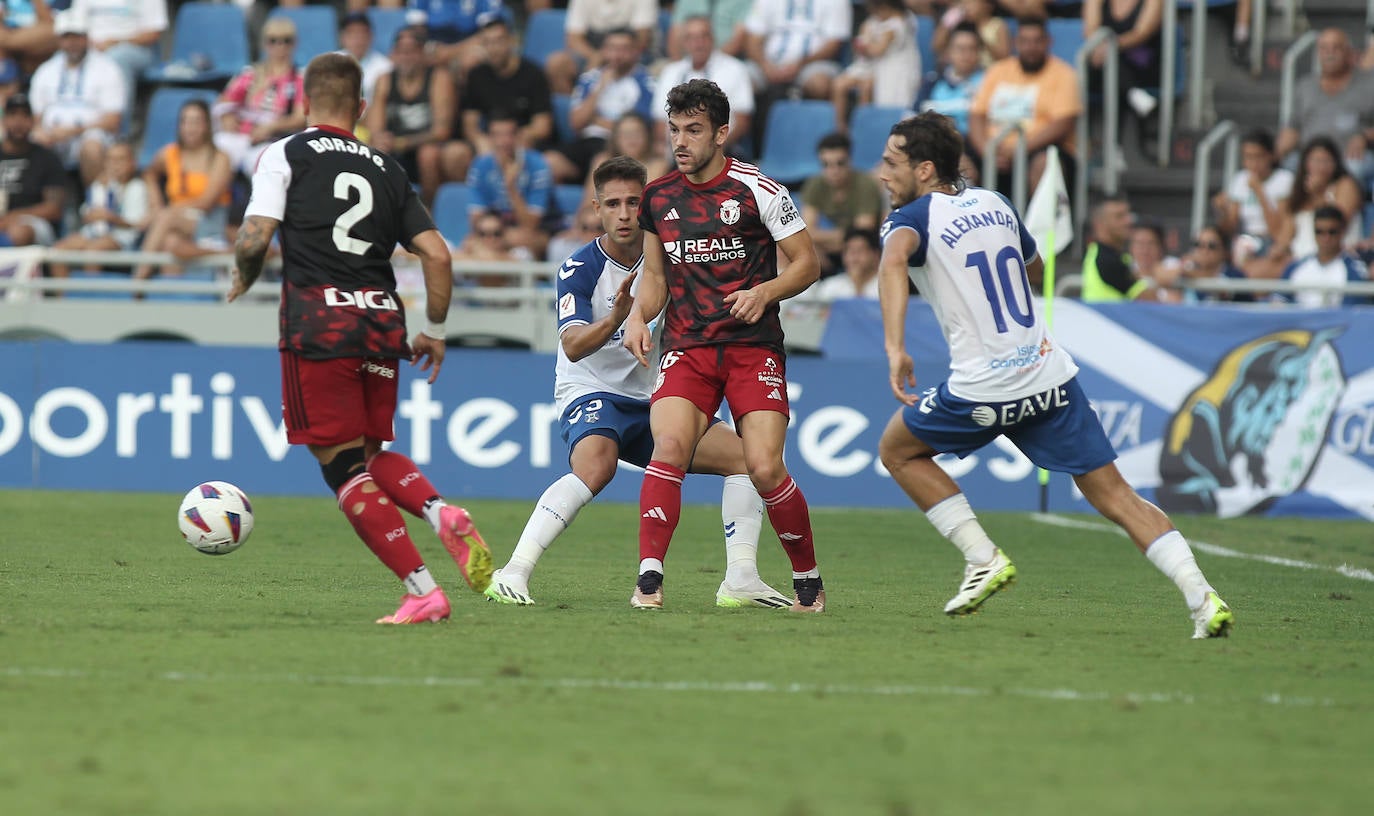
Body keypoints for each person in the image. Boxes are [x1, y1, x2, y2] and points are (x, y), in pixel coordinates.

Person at [873, 111, 1234, 639]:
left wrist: (895, 347)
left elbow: (890, 264)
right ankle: (1204, 600)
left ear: (925, 170)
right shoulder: (996, 203)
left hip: (984, 385)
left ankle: (982, 558)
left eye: (892, 162)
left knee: (897, 450)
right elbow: (1036, 266)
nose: (882, 173)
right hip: (1047, 377)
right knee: (1116, 496)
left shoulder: (909, 219)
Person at [227, 52, 493, 625]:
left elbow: (254, 239)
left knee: (341, 468)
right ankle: (441, 512)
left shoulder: (286, 153)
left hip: (318, 324)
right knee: (371, 456)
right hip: (380, 324)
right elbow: (438, 255)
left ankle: (421, 588)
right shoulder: (388, 167)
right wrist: (436, 332)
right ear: (362, 108)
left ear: (304, 101)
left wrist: (242, 277)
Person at [486, 155, 792, 608]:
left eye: (634, 202)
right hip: (593, 389)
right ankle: (513, 571)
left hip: (659, 394)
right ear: (596, 209)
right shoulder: (580, 268)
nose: (625, 214)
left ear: (648, 204)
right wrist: (617, 315)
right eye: (613, 204)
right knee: (596, 466)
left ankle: (741, 578)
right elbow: (572, 346)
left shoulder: (673, 257)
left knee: (748, 461)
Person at [623, 78, 827, 612]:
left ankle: (807, 578)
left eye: (693, 130)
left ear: (721, 132)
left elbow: (808, 263)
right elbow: (655, 279)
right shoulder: (658, 198)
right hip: (687, 347)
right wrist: (639, 318)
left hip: (752, 349)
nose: (680, 142)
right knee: (668, 448)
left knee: (763, 467)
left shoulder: (760, 190)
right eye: (674, 130)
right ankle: (648, 581)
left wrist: (765, 292)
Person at [968, 16, 1081, 195]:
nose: (1031, 48)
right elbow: (977, 115)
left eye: (1037, 41)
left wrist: (1018, 149)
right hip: (994, 149)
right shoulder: (998, 70)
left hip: (1037, 148)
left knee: (1045, 162)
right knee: (958, 157)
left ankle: (1039, 223)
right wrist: (986, 150)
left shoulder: (1064, 74)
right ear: (1015, 43)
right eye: (1025, 41)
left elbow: (1063, 123)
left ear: (1048, 42)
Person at [133, 98, 232, 284]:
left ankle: (137, 282)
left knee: (165, 218)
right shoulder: (170, 153)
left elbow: (206, 202)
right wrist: (155, 203)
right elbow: (149, 173)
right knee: (169, 241)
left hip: (209, 222)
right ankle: (172, 298)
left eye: (196, 122)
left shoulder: (220, 158)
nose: (190, 127)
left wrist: (166, 212)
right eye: (185, 121)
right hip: (176, 221)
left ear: (207, 125)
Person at [366, 26, 468, 206]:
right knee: (373, 148)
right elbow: (375, 127)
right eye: (401, 52)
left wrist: (402, 142)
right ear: (393, 55)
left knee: (428, 154)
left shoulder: (438, 78)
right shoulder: (385, 80)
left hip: (432, 150)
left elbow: (441, 131)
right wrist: (380, 140)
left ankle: (429, 210)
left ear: (422, 54)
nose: (406, 58)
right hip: (397, 150)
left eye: (411, 52)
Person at [28, 8, 126, 184]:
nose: (72, 43)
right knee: (34, 140)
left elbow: (113, 121)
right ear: (59, 40)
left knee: (91, 146)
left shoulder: (107, 68)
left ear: (87, 38)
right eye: (67, 37)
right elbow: (36, 118)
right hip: (54, 135)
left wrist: (73, 131)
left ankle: (96, 202)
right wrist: (43, 132)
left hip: (90, 133)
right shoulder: (46, 71)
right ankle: (36, 202)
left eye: (77, 37)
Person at [546, 28, 653, 184]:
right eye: (612, 48)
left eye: (623, 49)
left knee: (600, 161)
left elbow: (639, 127)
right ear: (603, 51)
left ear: (635, 52)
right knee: (548, 163)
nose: (617, 54)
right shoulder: (590, 79)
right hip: (588, 141)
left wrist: (595, 120)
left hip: (618, 145)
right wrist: (600, 87)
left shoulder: (645, 81)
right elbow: (576, 123)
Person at [1275, 28, 1374, 184]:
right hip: (1309, 158)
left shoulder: (1369, 84)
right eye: (1324, 48)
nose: (1330, 53)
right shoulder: (1305, 87)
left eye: (1336, 48)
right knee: (1284, 173)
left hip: (1349, 157)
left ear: (1350, 53)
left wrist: (1364, 137)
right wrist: (1275, 156)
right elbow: (1292, 129)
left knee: (1356, 167)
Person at [47, 140, 150, 288]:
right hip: (92, 233)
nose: (115, 165)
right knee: (58, 251)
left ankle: (91, 296)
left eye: (120, 159)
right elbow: (86, 213)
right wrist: (92, 213)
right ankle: (62, 299)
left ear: (132, 163)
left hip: (121, 238)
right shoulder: (101, 184)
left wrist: (111, 217)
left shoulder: (137, 187)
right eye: (111, 160)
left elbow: (136, 224)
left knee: (93, 251)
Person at [214, 15, 307, 175]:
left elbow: (300, 118)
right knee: (217, 147)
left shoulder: (300, 78)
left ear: (294, 43)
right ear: (265, 44)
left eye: (286, 40)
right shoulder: (251, 74)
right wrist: (226, 117)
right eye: (273, 40)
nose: (280, 46)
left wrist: (272, 127)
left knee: (265, 163)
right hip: (241, 135)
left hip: (274, 141)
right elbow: (223, 102)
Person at [653, 14, 754, 157]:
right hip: (678, 154)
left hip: (723, 152)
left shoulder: (735, 69)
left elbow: (743, 123)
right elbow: (659, 123)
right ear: (684, 42)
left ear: (713, 38)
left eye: (703, 36)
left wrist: (711, 151)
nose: (698, 43)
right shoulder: (670, 72)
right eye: (691, 38)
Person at [460, 15, 554, 157]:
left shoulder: (533, 74)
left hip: (522, 141)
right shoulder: (477, 75)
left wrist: (510, 140)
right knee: (455, 154)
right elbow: (469, 124)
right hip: (490, 140)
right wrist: (480, 139)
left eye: (498, 41)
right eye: (487, 43)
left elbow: (542, 126)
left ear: (512, 40)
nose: (493, 49)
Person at [467, 108, 555, 258]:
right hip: (495, 232)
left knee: (522, 240)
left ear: (519, 136)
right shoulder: (480, 165)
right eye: (497, 135)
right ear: (489, 138)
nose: (504, 141)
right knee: (470, 243)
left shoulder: (538, 165)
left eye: (509, 134)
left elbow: (530, 225)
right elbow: (476, 221)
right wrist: (496, 235)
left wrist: (510, 187)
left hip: (536, 234)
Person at [799, 132, 886, 271]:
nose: (833, 170)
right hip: (836, 249)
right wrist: (839, 238)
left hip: (868, 250)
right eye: (826, 164)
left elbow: (862, 233)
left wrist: (822, 239)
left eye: (840, 163)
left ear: (850, 160)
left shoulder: (865, 184)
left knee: (857, 249)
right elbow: (807, 233)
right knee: (804, 250)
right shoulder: (814, 184)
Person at [831, 0, 921, 133]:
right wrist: (862, 45)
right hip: (868, 65)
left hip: (893, 69)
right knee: (839, 84)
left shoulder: (899, 23)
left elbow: (877, 50)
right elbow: (862, 43)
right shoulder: (871, 21)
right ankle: (840, 129)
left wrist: (864, 46)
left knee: (866, 87)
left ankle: (862, 128)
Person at [1211, 128, 1292, 267]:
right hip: (1245, 241)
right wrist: (1223, 211)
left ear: (1271, 156)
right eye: (1248, 157)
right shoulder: (1240, 179)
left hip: (1271, 242)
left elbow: (1278, 230)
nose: (1253, 163)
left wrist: (1259, 191)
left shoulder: (1284, 180)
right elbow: (1230, 227)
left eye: (1259, 157)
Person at [0, 92, 66, 249]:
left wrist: (13, 216)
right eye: (12, 115)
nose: (18, 122)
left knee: (19, 231)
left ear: (32, 122)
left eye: (24, 116)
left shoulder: (46, 158)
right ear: (4, 120)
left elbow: (54, 209)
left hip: (32, 223)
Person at [1277, 205, 1371, 308]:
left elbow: (1352, 313)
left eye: (1332, 232)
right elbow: (1278, 304)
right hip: (1298, 323)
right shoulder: (1295, 267)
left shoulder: (1355, 270)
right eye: (1319, 232)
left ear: (1342, 231)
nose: (1326, 238)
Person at [918, 22, 986, 139]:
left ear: (979, 53)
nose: (966, 55)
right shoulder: (932, 81)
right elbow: (909, 118)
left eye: (972, 48)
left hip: (972, 148)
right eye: (960, 49)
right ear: (948, 52)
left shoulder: (988, 81)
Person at [337, 10, 392, 106]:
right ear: (342, 38)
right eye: (352, 33)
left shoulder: (385, 66)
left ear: (371, 36)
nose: (358, 39)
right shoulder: (330, 62)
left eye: (362, 33)